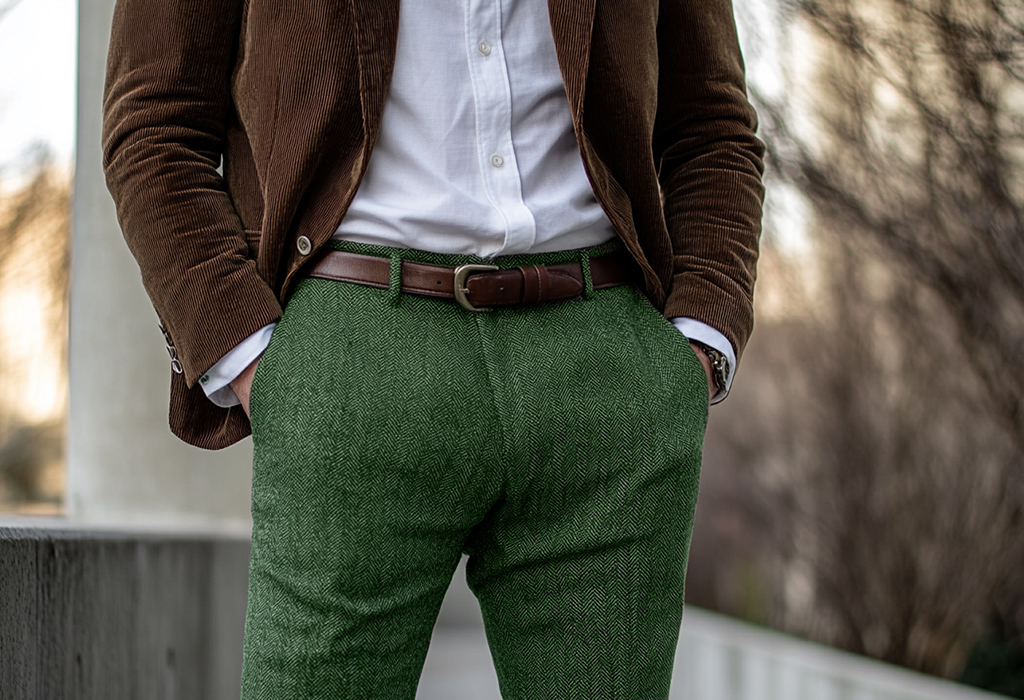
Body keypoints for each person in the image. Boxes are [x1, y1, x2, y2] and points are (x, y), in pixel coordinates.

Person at [102, 0, 764, 697]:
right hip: (351, 356)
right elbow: (153, 127)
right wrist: (258, 364)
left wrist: (697, 346)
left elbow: (712, 126)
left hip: (606, 369)